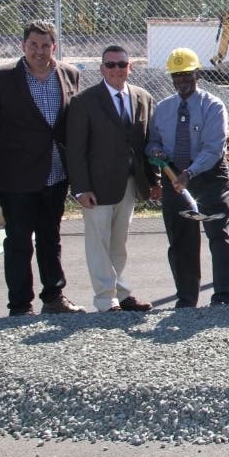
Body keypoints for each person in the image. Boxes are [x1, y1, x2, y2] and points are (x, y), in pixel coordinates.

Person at [0, 21, 85, 316]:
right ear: (23, 46)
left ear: (54, 47)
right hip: (16, 176)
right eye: (33, 45)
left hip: (56, 173)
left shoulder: (69, 74)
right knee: (19, 240)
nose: (39, 51)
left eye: (45, 45)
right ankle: (20, 305)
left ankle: (54, 297)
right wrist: (8, 155)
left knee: (51, 238)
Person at [67, 45, 160, 313]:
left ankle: (121, 291)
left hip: (129, 185)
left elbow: (146, 144)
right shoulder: (84, 101)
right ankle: (106, 298)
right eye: (111, 65)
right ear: (102, 69)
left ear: (130, 67)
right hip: (97, 187)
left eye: (122, 64)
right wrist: (81, 188)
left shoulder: (142, 97)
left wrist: (153, 182)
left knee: (119, 243)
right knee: (99, 243)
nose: (116, 69)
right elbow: (76, 150)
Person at [146, 47, 229, 308]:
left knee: (218, 235)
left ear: (197, 74)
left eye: (186, 75)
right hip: (174, 177)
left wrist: (189, 173)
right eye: (176, 76)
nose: (181, 81)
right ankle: (186, 299)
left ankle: (222, 296)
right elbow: (151, 142)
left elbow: (213, 148)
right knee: (181, 240)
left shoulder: (213, 106)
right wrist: (155, 151)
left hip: (208, 176)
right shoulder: (163, 109)